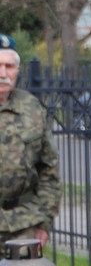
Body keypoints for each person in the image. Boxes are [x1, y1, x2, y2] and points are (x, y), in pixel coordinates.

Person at [0, 35, 59, 246]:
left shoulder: (32, 107)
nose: (3, 74)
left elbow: (49, 169)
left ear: (17, 70)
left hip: (24, 224)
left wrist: (44, 222)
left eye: (9, 66)